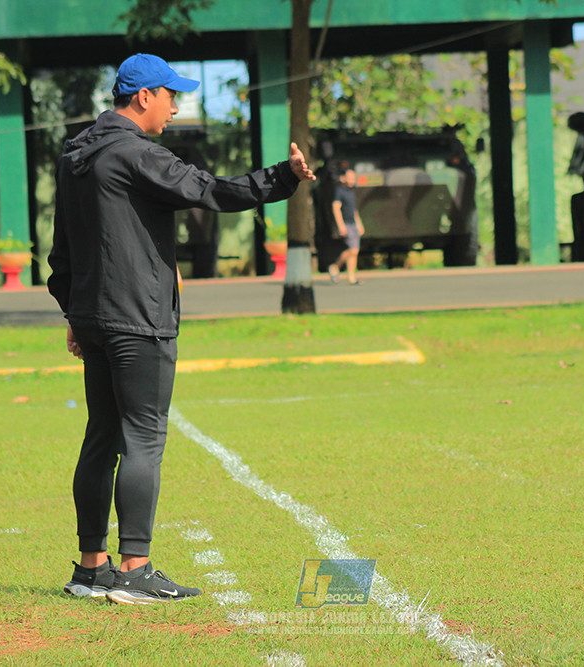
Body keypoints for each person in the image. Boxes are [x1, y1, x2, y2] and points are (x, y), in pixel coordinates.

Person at [48, 53, 315, 605]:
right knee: (143, 437)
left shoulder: (76, 155)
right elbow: (212, 192)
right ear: (143, 96)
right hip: (137, 320)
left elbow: (62, 249)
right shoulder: (137, 154)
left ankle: (91, 569)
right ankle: (135, 568)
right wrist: (284, 178)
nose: (175, 106)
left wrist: (75, 313)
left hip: (96, 319)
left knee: (102, 435)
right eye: (171, 95)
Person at [327, 168, 365, 285]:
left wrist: (359, 224)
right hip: (346, 224)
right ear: (343, 178)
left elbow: (354, 210)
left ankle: (351, 277)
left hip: (354, 224)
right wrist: (341, 225)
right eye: (350, 177)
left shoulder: (351, 192)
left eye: (353, 177)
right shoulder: (340, 191)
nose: (352, 180)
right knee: (353, 249)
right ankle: (335, 267)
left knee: (354, 251)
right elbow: (336, 208)